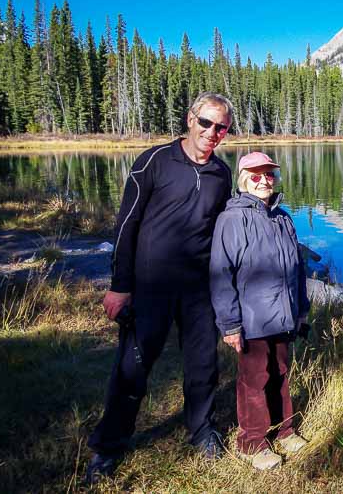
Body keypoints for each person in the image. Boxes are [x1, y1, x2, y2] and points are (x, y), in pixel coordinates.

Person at [86, 92, 235, 483]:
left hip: (199, 289)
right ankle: (108, 447)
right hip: (150, 286)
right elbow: (126, 225)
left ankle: (202, 432)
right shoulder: (153, 161)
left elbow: (221, 232)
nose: (212, 133)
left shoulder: (222, 174)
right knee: (132, 367)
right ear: (190, 119)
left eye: (221, 127)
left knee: (203, 366)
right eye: (206, 122)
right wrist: (120, 286)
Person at [209, 151, 310, 471]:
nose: (264, 180)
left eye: (270, 175)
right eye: (256, 175)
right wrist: (230, 325)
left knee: (280, 373)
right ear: (243, 181)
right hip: (252, 320)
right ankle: (251, 441)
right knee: (254, 378)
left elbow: (297, 268)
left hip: (283, 315)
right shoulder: (232, 219)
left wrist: (302, 309)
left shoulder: (283, 217)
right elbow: (221, 275)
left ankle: (285, 430)